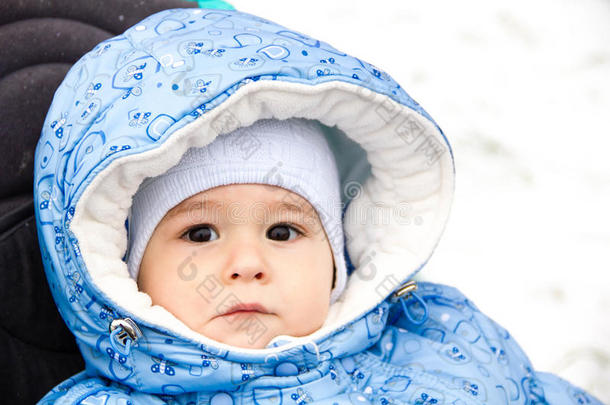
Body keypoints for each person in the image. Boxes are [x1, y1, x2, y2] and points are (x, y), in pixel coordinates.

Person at [33, 6, 602, 404]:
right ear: (125, 272)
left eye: (284, 232)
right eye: (200, 234)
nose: (247, 264)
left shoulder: (442, 342)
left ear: (337, 259)